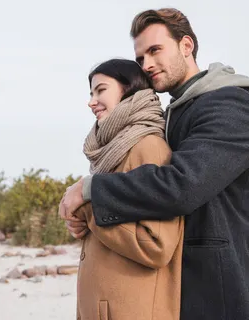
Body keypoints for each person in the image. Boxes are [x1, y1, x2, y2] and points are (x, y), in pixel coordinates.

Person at [59, 8, 249, 320]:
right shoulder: (175, 113)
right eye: (141, 57)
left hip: (214, 295)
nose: (147, 64)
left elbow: (181, 185)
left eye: (155, 50)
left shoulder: (230, 106)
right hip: (172, 292)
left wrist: (91, 191)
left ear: (187, 46)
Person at [75, 58, 184, 320]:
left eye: (101, 90)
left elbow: (156, 246)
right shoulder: (114, 152)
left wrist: (89, 209)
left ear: (130, 90)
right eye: (91, 93)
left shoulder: (148, 147)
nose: (91, 101)